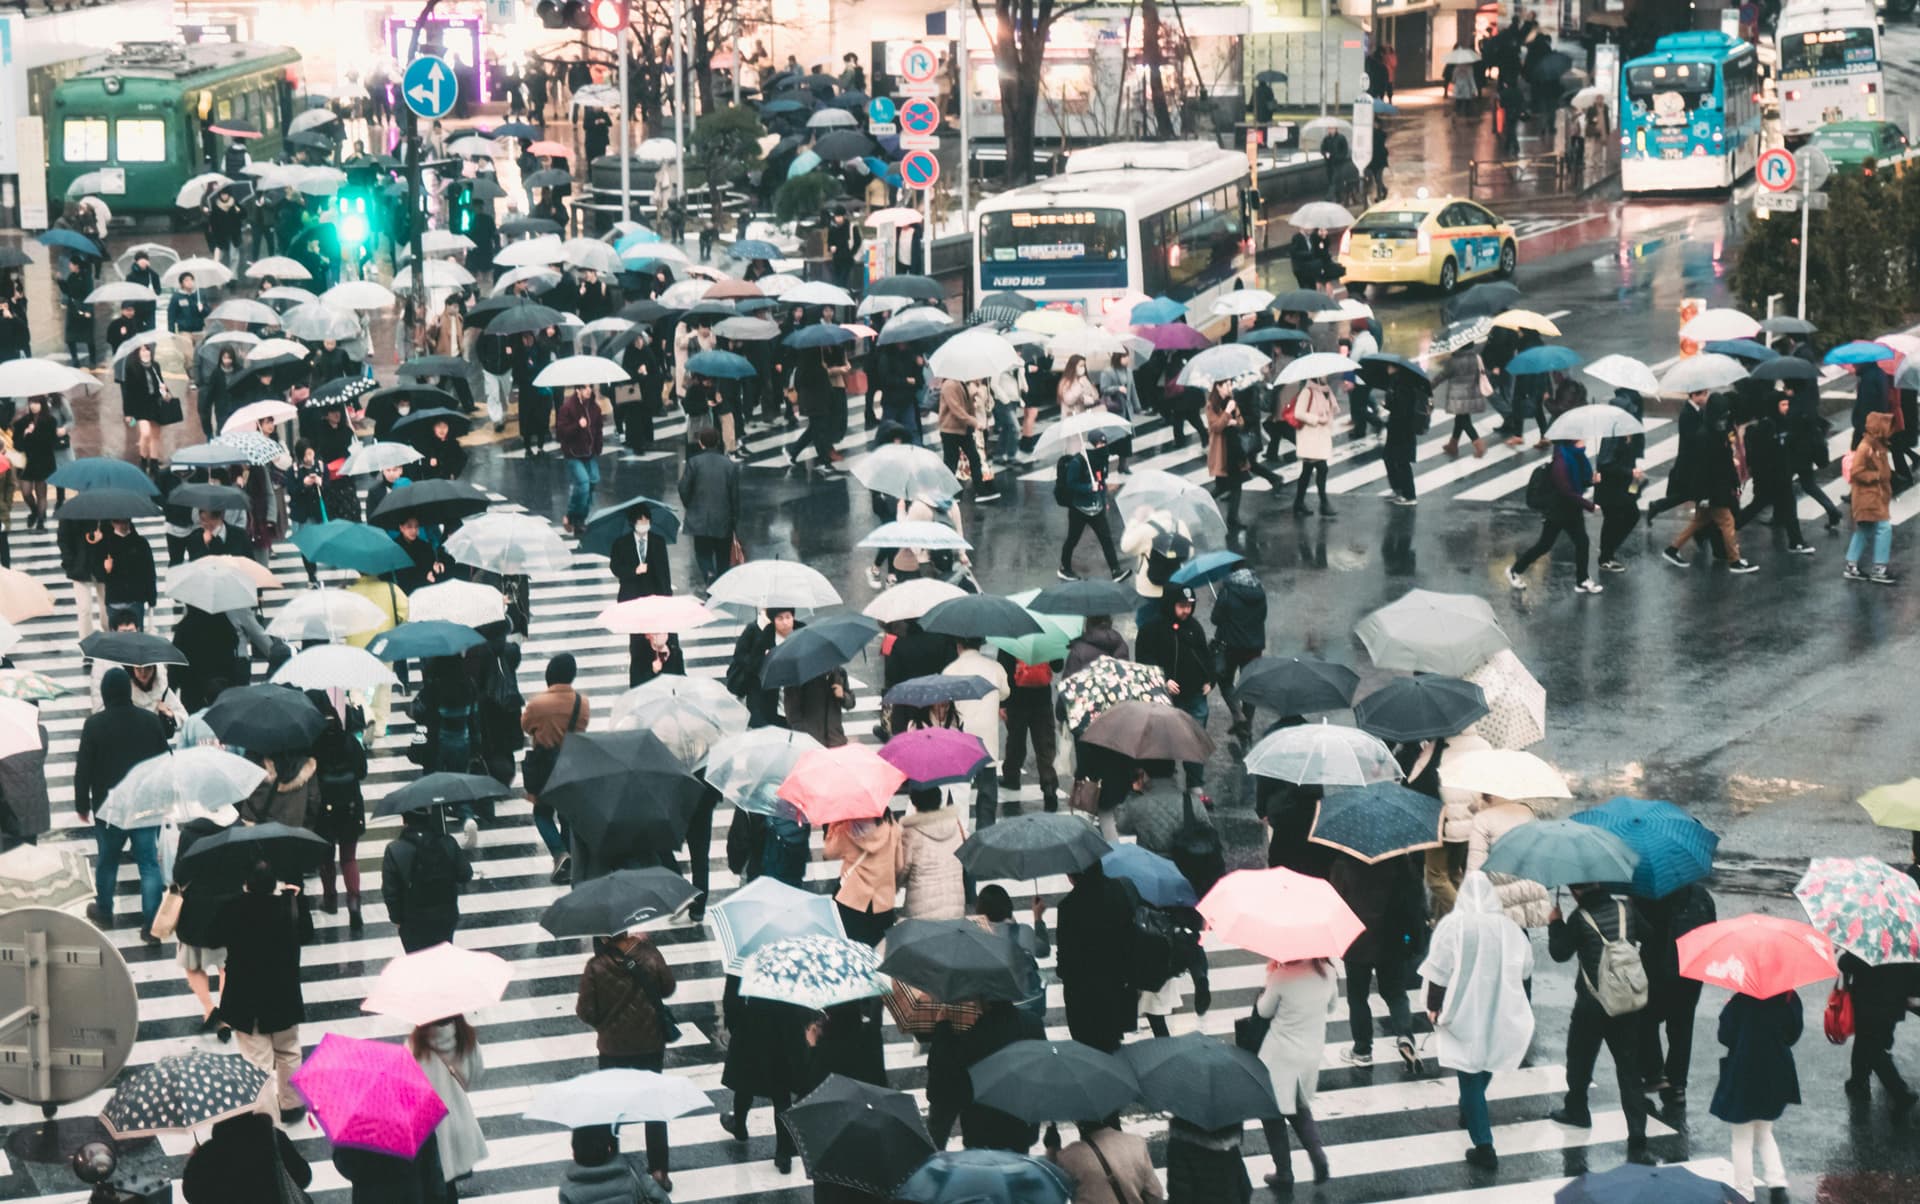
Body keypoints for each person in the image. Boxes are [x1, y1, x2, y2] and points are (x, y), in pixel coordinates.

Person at [1419, 872, 1535, 1170]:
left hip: (1462, 1009)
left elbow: (1439, 969)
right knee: (1484, 1063)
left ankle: (1484, 1145)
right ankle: (1470, 1108)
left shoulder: (1453, 926)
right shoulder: (1509, 928)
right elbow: (1525, 968)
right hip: (1499, 1007)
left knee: (1468, 1070)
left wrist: (1434, 1006)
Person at [1547, 883, 1651, 1157]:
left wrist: (1555, 923)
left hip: (1591, 1005)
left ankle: (1577, 1108)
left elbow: (1559, 953)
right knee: (1629, 1069)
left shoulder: (1579, 918)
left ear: (1578, 891)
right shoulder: (1626, 908)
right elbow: (1649, 936)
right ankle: (1638, 1134)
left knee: (1580, 1058)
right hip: (1627, 1002)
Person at [576, 932, 678, 1191]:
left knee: (612, 1107)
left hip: (613, 1049)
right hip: (650, 1044)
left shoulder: (595, 967)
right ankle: (658, 1170)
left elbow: (585, 1011)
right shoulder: (647, 954)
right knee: (654, 1107)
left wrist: (606, 1025)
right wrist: (650, 946)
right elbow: (668, 987)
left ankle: (612, 1165)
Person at [75, 667, 171, 939]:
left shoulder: (94, 725)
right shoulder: (149, 721)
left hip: (110, 807)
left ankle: (105, 911)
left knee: (107, 861)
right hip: (145, 804)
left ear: (105, 693)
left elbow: (84, 769)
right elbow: (165, 762)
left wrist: (82, 804)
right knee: (149, 864)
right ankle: (151, 924)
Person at [216, 859, 307, 1123]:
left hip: (247, 997)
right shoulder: (287, 905)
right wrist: (295, 898)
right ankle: (292, 1105)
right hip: (284, 993)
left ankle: (264, 1117)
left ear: (247, 884)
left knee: (258, 1062)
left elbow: (213, 935)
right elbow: (306, 933)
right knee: (288, 1050)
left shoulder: (234, 907)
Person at [1249, 956, 1335, 1192]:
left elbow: (1264, 1011)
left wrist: (1270, 982)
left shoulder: (1282, 976)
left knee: (1272, 1113)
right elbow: (1332, 1006)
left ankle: (1284, 1171)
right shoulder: (1327, 971)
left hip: (1279, 1055)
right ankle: (1317, 1154)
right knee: (1299, 1106)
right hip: (1310, 1052)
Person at [1328, 850, 1421, 1068]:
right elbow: (1413, 901)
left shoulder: (1344, 863)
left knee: (1358, 997)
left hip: (1356, 940)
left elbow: (1334, 900)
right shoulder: (1400, 862)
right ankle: (1405, 1034)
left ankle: (1362, 1050)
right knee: (1396, 993)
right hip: (1392, 938)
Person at [1710, 988, 1801, 1204]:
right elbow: (1793, 1033)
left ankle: (1743, 1194)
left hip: (1744, 1071)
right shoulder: (1789, 997)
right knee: (1764, 1130)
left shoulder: (1741, 1000)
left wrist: (1730, 1006)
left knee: (1741, 1138)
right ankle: (1777, 1184)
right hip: (1776, 1070)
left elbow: (1725, 1036)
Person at [1135, 588, 1213, 795]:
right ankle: (1165, 783)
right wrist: (1163, 679)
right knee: (1165, 740)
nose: (1186, 611)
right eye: (1182, 606)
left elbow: (1204, 656)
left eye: (1189, 606)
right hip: (1167, 698)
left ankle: (1195, 784)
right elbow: (1145, 660)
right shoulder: (1152, 628)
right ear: (1171, 605)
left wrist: (1210, 680)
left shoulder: (1194, 627)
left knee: (1194, 740)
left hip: (1195, 695)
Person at [522, 652, 591, 883]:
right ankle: (569, 857)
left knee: (542, 813)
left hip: (544, 766)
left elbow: (526, 726)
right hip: (572, 763)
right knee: (567, 814)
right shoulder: (582, 703)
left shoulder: (538, 704)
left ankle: (559, 853)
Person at [1056, 860, 1137, 1052]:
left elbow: (1065, 961)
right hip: (1117, 986)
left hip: (1083, 996)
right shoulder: (1120, 890)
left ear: (1072, 876)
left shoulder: (1068, 907)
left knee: (1088, 1051)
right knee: (1113, 1046)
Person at [1507, 438, 1602, 594]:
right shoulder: (1561, 463)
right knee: (1544, 545)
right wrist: (1589, 505)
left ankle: (1582, 580)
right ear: (1571, 442)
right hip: (1558, 511)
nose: (1584, 442)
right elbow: (1566, 491)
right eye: (1580, 440)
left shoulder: (1576, 457)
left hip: (1572, 509)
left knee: (1582, 542)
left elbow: (1578, 482)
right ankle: (1515, 570)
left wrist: (1592, 480)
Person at [310, 695, 370, 933]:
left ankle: (330, 899)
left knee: (326, 858)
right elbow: (362, 772)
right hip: (351, 806)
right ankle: (354, 903)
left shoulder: (315, 745)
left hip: (325, 809)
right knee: (349, 858)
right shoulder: (350, 743)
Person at [381, 809, 474, 952]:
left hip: (412, 921)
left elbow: (390, 892)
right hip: (445, 916)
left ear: (404, 821)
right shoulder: (447, 842)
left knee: (418, 966)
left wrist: (397, 919)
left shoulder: (395, 850)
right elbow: (465, 874)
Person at [412, 1016, 487, 1190]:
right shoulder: (466, 1039)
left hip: (432, 1130)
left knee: (436, 1186)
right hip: (459, 1124)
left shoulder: (415, 1047)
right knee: (450, 1185)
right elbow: (475, 1076)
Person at [181, 1111, 312, 1204]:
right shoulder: (274, 1138)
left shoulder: (209, 1153)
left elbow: (191, 1194)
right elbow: (303, 1177)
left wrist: (195, 1158)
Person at [947, 634, 1010, 823]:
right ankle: (986, 830)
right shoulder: (994, 668)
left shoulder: (951, 670)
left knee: (959, 792)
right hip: (986, 737)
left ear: (959, 646)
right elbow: (1005, 693)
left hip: (961, 736)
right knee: (987, 789)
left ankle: (960, 833)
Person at [824, 810, 900, 944]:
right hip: (883, 901)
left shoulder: (846, 830)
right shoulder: (893, 827)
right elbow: (899, 865)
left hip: (853, 900)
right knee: (881, 949)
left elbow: (829, 853)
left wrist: (833, 826)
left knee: (854, 947)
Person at [678, 426, 741, 587]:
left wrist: (691, 505)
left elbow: (684, 488)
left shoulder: (694, 462)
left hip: (699, 517)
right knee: (722, 555)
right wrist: (734, 519)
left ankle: (709, 573)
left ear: (701, 443)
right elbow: (734, 495)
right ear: (718, 442)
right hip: (723, 517)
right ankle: (720, 584)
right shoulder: (729, 465)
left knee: (702, 553)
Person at [1056, 436, 1125, 581]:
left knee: (1106, 539)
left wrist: (1102, 498)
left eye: (1104, 443)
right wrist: (1088, 487)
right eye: (1100, 443)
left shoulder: (1100, 461)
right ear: (1092, 445)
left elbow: (1101, 482)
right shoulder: (1077, 462)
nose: (1103, 446)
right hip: (1078, 509)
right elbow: (1071, 484)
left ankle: (1115, 570)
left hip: (1097, 507)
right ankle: (1064, 568)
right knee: (1073, 539)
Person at [1048, 1118, 1164, 1204]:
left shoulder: (1069, 1155)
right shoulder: (1137, 1143)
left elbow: (1052, 1190)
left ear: (1080, 1123)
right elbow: (1155, 1194)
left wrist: (1052, 1148)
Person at [896, 787, 966, 920]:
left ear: (914, 803)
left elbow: (901, 870)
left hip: (921, 909)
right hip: (955, 905)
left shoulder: (911, 832)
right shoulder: (955, 825)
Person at [1845, 410, 1897, 584]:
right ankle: (1879, 568)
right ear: (1878, 429)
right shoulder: (1866, 447)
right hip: (1868, 497)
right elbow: (1856, 472)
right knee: (1884, 528)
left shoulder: (1877, 445)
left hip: (1875, 496)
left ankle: (1851, 565)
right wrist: (1876, 476)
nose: (1890, 430)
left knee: (1865, 529)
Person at [560, 1124, 672, 1203]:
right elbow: (662, 1199)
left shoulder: (567, 1190)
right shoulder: (632, 1171)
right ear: (609, 1149)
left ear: (574, 1154)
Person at [90, 517, 157, 628]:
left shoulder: (140, 543)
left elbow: (149, 573)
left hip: (136, 598)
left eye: (125, 521)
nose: (122, 525)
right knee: (116, 641)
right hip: (115, 600)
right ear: (112, 523)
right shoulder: (105, 544)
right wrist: (105, 569)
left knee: (137, 638)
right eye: (118, 521)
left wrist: (151, 598)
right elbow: (98, 573)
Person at [556, 384, 604, 536]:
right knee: (583, 484)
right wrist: (578, 425)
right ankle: (576, 519)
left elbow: (598, 430)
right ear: (577, 390)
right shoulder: (567, 408)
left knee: (593, 482)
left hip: (589, 453)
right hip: (573, 454)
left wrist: (598, 447)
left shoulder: (594, 408)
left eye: (590, 387)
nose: (589, 390)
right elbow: (560, 433)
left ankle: (576, 517)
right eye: (585, 388)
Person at [1289, 375, 1338, 517]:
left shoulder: (1326, 390)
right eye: (1323, 374)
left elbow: (1330, 410)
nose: (1326, 376)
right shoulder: (1307, 391)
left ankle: (1298, 502)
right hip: (1310, 437)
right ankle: (1324, 503)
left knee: (1307, 471)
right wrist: (1317, 419)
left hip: (1320, 437)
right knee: (1322, 468)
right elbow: (1298, 413)